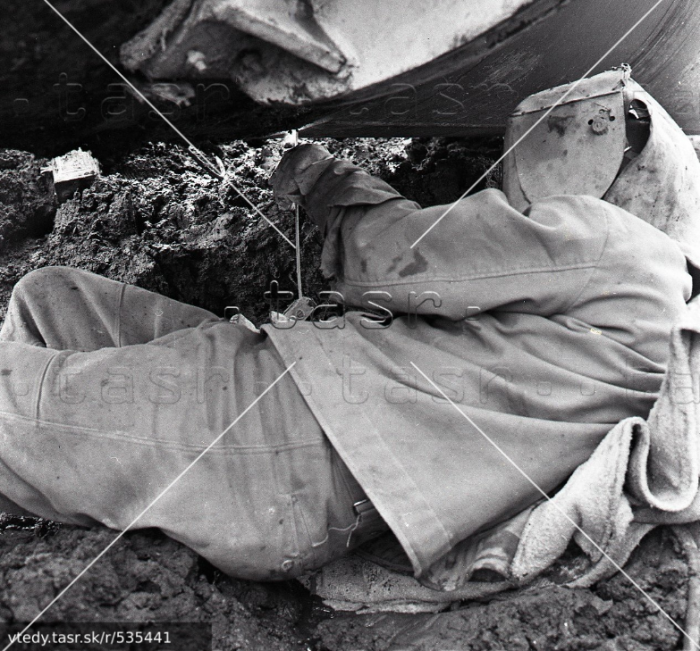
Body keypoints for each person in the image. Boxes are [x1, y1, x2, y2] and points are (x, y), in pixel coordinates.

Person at [0, 82, 696, 584]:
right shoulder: (651, 323)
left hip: (291, 432)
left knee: (11, 400)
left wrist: (327, 180)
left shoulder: (620, 248)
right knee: (50, 302)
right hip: (317, 473)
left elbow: (393, 258)